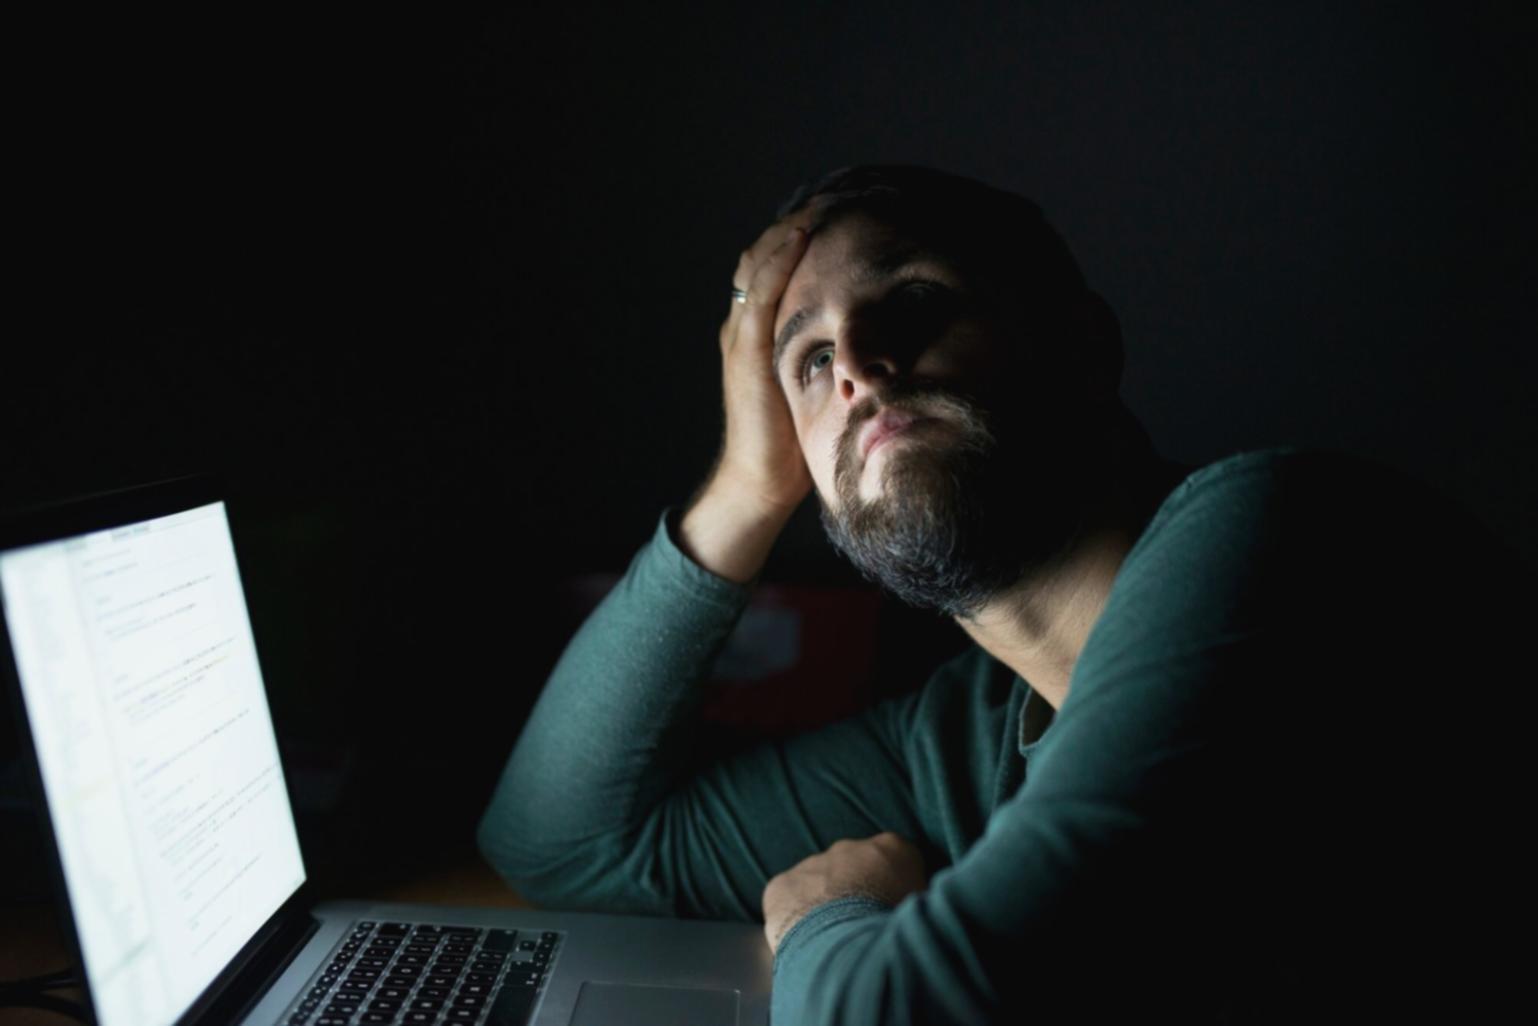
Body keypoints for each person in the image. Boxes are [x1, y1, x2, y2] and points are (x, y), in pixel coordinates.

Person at [478, 165, 1530, 1023]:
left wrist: (826, 918)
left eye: (916, 300)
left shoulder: (1278, 537)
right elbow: (556, 842)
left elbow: (905, 1013)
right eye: (804, 362)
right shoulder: (953, 739)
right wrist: (749, 490)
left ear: (1084, 345)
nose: (855, 364)